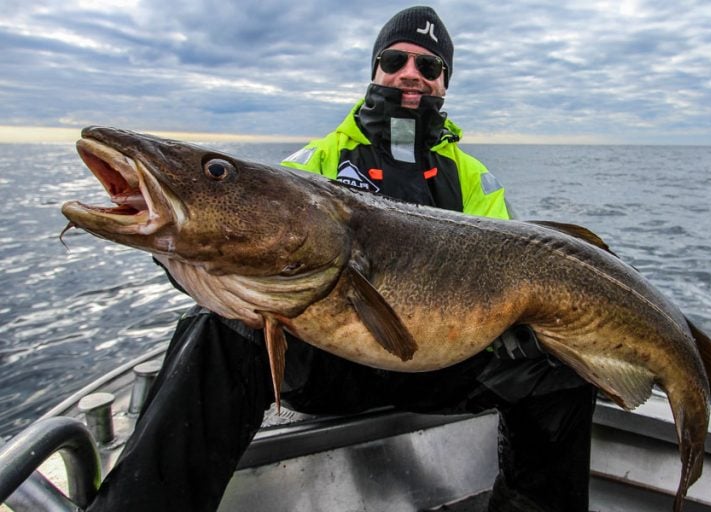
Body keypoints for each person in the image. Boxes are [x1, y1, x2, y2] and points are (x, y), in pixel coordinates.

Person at [87, 6, 595, 512]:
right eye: (395, 59)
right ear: (375, 69)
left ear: (445, 82)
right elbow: (248, 230)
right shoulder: (314, 164)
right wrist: (184, 236)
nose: (410, 74)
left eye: (430, 66)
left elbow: (515, 261)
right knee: (217, 328)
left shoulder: (473, 179)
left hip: (441, 363)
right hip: (328, 361)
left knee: (566, 369)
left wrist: (521, 328)